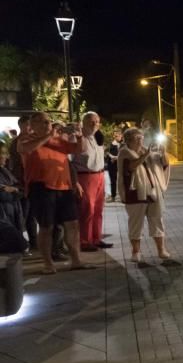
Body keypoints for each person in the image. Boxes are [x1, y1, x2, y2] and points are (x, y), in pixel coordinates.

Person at [18, 112, 90, 274]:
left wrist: (79, 136)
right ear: (33, 124)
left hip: (63, 187)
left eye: (49, 122)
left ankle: (76, 260)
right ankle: (48, 263)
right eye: (43, 122)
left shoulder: (58, 140)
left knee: (72, 224)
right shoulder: (25, 139)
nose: (48, 124)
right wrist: (49, 135)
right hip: (41, 188)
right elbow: (28, 149)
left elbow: (79, 150)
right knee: (46, 226)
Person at [118, 128, 171, 263]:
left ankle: (161, 250)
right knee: (136, 223)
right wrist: (145, 155)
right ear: (128, 140)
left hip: (153, 192)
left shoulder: (146, 151)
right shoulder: (124, 152)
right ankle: (136, 252)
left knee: (157, 220)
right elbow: (130, 167)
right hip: (134, 193)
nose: (141, 140)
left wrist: (163, 153)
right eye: (137, 138)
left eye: (141, 137)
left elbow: (163, 165)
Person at [72, 111, 110, 251]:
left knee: (99, 209)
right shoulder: (77, 138)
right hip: (85, 176)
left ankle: (96, 238)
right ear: (83, 122)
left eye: (97, 121)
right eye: (91, 121)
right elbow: (70, 161)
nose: (94, 124)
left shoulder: (96, 137)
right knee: (87, 209)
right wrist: (75, 182)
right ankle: (84, 241)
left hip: (99, 175)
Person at [8, 116, 37, 251]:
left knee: (30, 215)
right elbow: (18, 165)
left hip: (29, 182)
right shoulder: (19, 143)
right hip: (22, 183)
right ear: (22, 126)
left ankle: (33, 242)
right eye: (28, 125)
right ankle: (19, 243)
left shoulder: (27, 141)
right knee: (23, 215)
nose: (30, 128)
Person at [0, 141, 27, 254]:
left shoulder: (5, 170)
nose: (6, 157)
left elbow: (18, 189)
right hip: (4, 212)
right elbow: (3, 194)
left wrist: (14, 190)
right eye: (3, 153)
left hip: (12, 209)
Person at [106, 129, 122, 203]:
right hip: (112, 165)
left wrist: (116, 157)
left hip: (121, 164)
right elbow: (106, 152)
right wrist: (112, 157)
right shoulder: (110, 144)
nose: (118, 136)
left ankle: (122, 196)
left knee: (122, 181)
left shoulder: (123, 144)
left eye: (119, 135)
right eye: (116, 135)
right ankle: (113, 196)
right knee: (113, 181)